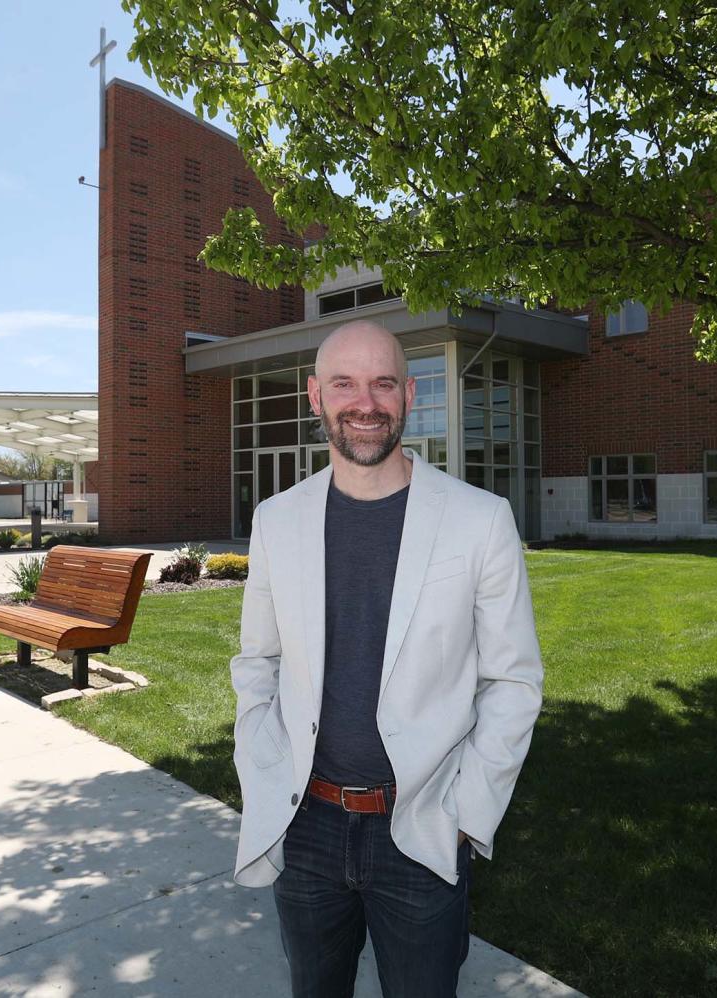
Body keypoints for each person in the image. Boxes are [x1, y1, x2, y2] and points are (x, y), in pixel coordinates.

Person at [230, 319, 544, 997]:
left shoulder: (479, 519)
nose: (363, 401)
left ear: (409, 394)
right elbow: (258, 662)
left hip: (424, 830)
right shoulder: (277, 520)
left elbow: (513, 681)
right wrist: (260, 768)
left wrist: (466, 814)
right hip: (306, 824)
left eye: (382, 383)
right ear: (315, 395)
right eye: (344, 382)